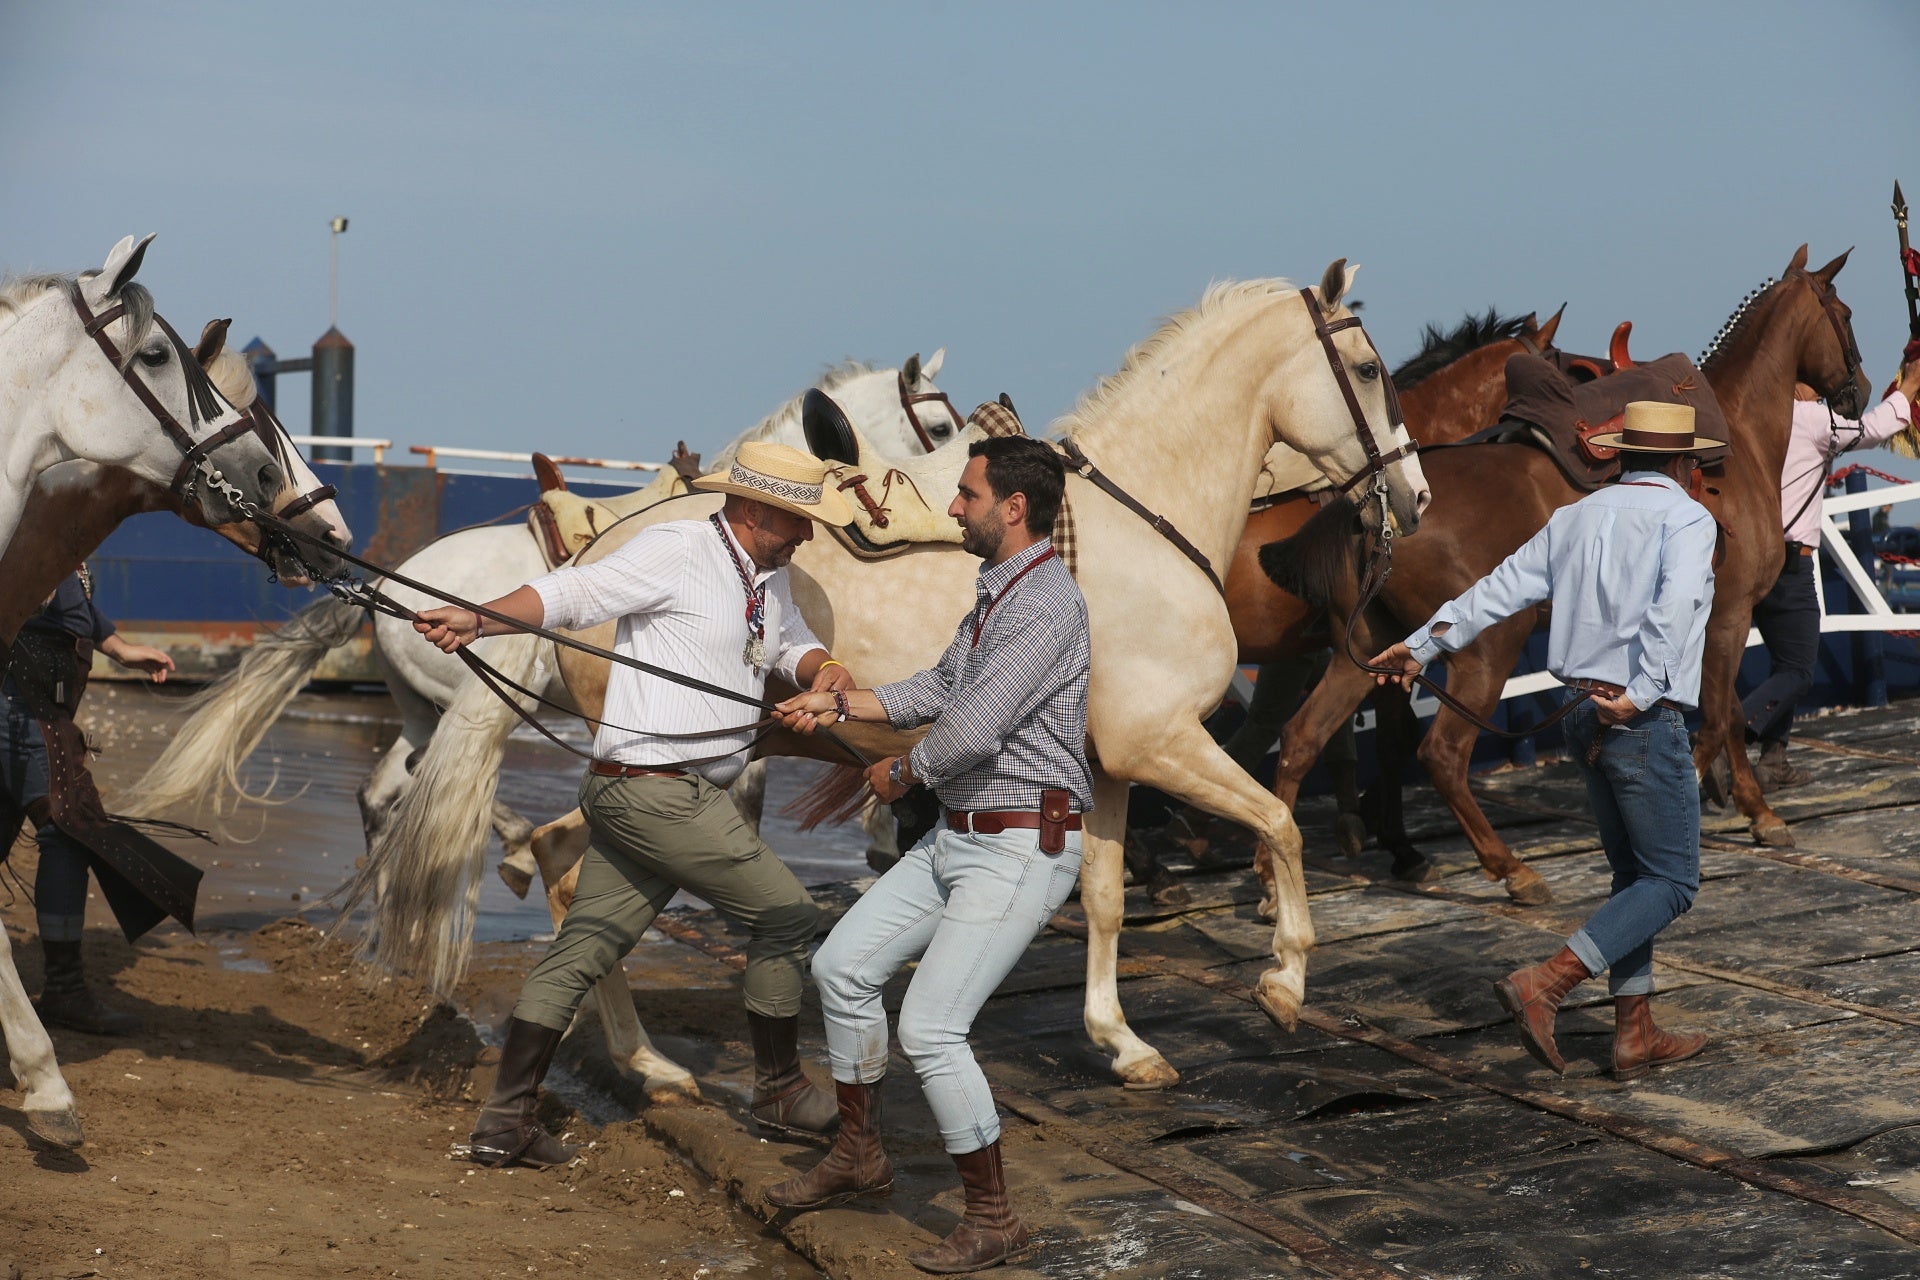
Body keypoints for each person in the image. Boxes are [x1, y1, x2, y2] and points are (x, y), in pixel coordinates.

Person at [414, 441, 857, 1168]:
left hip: (652, 794)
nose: (807, 534)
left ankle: (503, 1124)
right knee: (786, 916)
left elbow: (791, 648)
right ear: (750, 509)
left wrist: (829, 673)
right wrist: (477, 619)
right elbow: (574, 593)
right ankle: (778, 1090)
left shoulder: (767, 576)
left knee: (582, 949)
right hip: (659, 793)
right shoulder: (679, 548)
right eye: (795, 521)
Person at [765, 434, 1089, 1274]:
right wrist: (837, 704)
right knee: (840, 967)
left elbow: (971, 730)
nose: (953, 507)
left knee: (933, 1028)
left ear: (1013, 509)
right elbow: (938, 689)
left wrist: (902, 770)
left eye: (967, 495)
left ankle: (994, 1216)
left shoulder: (1046, 605)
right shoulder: (996, 593)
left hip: (1023, 843)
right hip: (962, 836)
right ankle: (860, 1155)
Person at [1368, 402, 1719, 1080]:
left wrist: (1419, 647)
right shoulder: (1686, 518)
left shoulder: (1576, 516)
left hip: (1580, 710)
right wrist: (1644, 693)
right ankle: (1548, 982)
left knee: (1634, 879)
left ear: (1619, 455)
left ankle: (1634, 1032)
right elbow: (1674, 609)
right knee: (1672, 882)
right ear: (1683, 463)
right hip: (1636, 716)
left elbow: (1497, 589)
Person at [3, 569, 175, 1034]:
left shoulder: (55, 524)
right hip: (21, 704)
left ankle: (62, 989)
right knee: (66, 828)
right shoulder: (23, 508)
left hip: (36, 705)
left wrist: (117, 647)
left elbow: (73, 598)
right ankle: (64, 990)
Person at [1736, 359, 1919, 792]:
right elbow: (1870, 431)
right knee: (1799, 669)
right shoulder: (1810, 417)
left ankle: (1774, 760)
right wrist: (1909, 388)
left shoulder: (1756, 414)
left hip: (1753, 559)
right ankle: (1727, 736)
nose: (1821, 392)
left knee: (1785, 661)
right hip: (1790, 561)